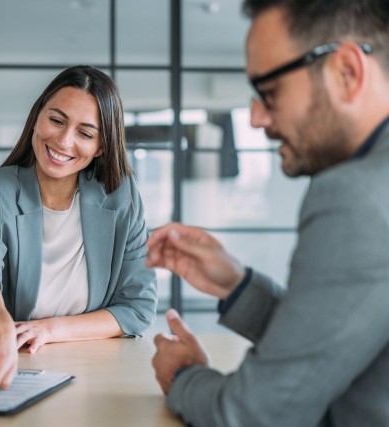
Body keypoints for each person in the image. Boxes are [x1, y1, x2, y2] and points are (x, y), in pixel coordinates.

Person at [147, 0, 389, 425]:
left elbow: (255, 413)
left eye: (269, 92)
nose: (256, 118)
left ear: (347, 72)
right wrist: (237, 285)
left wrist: (183, 375)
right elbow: (333, 343)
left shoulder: (354, 196)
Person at [0, 65, 158, 400]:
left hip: (91, 372)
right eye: (56, 120)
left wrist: (51, 329)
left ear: (102, 146)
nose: (63, 141)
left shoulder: (122, 197)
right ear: (37, 117)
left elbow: (137, 308)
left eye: (85, 133)